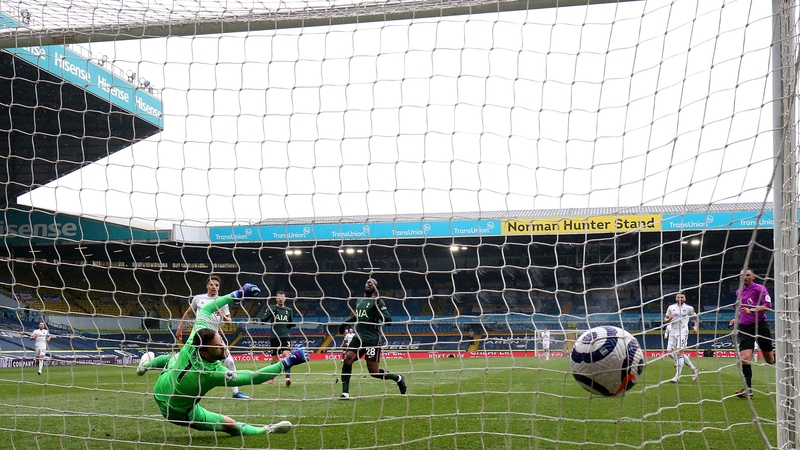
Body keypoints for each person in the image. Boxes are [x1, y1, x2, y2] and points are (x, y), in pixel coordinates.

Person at [136, 283, 309, 436]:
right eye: (218, 347)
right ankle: (266, 430)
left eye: (221, 341)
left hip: (162, 386)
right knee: (230, 425)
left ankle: (146, 365)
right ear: (204, 353)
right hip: (176, 411)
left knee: (175, 357)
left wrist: (238, 294)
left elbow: (206, 309)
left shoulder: (194, 339)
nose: (224, 347)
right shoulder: (212, 373)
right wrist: (289, 361)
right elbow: (254, 377)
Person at [176, 275, 249, 399]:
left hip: (214, 338)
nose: (214, 287)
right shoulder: (198, 298)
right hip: (198, 337)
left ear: (219, 287)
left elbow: (229, 322)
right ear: (207, 286)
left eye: (217, 285)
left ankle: (236, 392)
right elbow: (188, 313)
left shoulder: (222, 301)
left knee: (230, 361)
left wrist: (222, 315)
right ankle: (181, 388)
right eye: (212, 284)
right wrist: (180, 328)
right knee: (186, 361)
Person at [337, 278, 406, 399]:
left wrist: (379, 310)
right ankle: (345, 393)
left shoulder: (378, 301)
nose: (370, 284)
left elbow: (388, 321)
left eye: (373, 283)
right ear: (364, 285)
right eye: (368, 282)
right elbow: (358, 316)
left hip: (372, 340)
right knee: (348, 359)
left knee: (374, 372)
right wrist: (344, 324)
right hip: (359, 337)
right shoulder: (359, 300)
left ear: (375, 288)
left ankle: (398, 378)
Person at [728, 269, 775, 399]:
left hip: (760, 326)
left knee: (770, 360)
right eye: (742, 275)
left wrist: (752, 310)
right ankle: (748, 390)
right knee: (744, 358)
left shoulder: (759, 289)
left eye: (747, 275)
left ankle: (783, 359)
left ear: (753, 277)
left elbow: (768, 306)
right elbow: (742, 309)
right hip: (745, 328)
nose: (745, 277)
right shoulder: (739, 292)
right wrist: (736, 318)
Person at [261, 291, 295, 386]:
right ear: (276, 299)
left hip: (285, 336)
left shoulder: (289, 310)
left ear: (285, 299)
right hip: (274, 336)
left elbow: (290, 323)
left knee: (287, 355)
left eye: (282, 297)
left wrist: (291, 324)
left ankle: (287, 378)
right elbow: (262, 321)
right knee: (275, 360)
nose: (281, 299)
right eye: (279, 297)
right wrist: (271, 314)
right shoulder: (272, 308)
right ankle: (271, 376)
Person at [664, 292, 699, 383]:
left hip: (683, 332)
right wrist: (669, 319)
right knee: (675, 353)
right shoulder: (671, 307)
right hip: (673, 332)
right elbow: (665, 319)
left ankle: (677, 376)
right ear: (676, 298)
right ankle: (693, 368)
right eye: (678, 297)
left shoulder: (689, 308)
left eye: (682, 297)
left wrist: (696, 327)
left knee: (679, 352)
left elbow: (696, 317)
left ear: (685, 299)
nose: (680, 298)